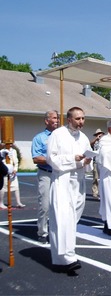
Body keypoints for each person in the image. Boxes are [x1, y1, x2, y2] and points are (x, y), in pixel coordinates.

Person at [47, 107, 92, 274]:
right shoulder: (57, 135)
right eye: (78, 119)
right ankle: (68, 257)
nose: (81, 122)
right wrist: (72, 158)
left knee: (72, 220)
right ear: (69, 119)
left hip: (78, 182)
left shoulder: (84, 137)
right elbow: (51, 159)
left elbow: (87, 162)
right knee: (62, 219)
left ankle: (61, 259)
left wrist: (87, 161)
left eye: (83, 118)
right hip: (62, 181)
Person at [31, 110, 59, 243]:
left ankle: (56, 230)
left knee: (59, 204)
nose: (57, 120)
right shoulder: (39, 138)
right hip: (46, 174)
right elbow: (36, 158)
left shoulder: (61, 137)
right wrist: (52, 159)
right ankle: (42, 232)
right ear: (46, 121)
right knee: (45, 205)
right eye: (54, 118)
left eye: (57, 118)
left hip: (59, 174)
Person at [0, 144, 25, 209]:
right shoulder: (2, 151)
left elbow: (16, 162)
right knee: (3, 187)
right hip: (5, 171)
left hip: (12, 172)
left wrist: (15, 169)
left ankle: (18, 202)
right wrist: (6, 169)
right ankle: (1, 203)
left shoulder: (14, 151)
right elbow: (2, 162)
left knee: (16, 187)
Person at [90, 128, 105, 200]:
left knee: (102, 178)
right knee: (95, 178)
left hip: (102, 162)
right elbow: (90, 144)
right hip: (95, 162)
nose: (100, 136)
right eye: (98, 134)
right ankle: (95, 192)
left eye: (100, 134)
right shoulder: (95, 142)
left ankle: (102, 193)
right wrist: (96, 139)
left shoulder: (104, 142)